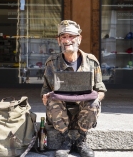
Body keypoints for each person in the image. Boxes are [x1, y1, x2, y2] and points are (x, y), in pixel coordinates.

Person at [41, 20, 107, 157]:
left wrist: (95, 98)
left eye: (71, 36)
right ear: (59, 41)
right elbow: (45, 88)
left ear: (79, 39)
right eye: (63, 37)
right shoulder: (52, 63)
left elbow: (100, 89)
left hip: (83, 113)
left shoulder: (91, 61)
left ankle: (81, 139)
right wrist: (45, 96)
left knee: (94, 101)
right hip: (60, 114)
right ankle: (66, 140)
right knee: (53, 100)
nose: (67, 40)